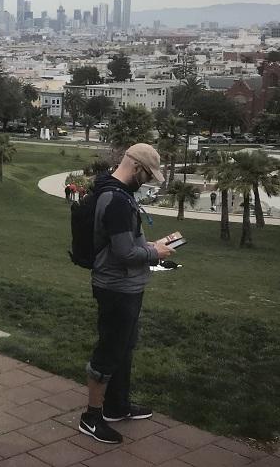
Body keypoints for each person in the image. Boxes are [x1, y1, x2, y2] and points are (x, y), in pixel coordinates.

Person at [79, 143, 175, 445]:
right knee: (108, 351)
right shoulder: (117, 201)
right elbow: (123, 253)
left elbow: (125, 244)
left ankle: (116, 406)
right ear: (136, 167)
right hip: (116, 287)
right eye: (148, 175)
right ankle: (91, 418)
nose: (147, 180)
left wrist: (150, 248)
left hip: (127, 285)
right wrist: (155, 252)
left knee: (125, 346)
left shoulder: (117, 194)